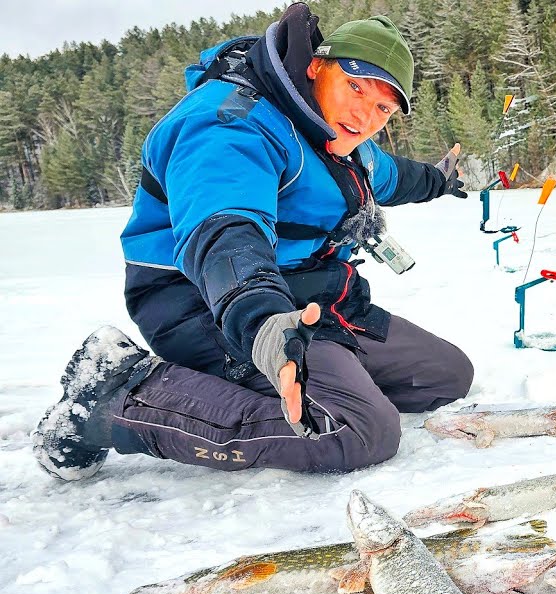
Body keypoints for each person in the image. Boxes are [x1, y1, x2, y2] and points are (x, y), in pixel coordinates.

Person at [32, 2, 474, 480]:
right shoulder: (231, 124)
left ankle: (310, 376)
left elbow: (391, 175)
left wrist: (437, 179)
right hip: (204, 300)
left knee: (443, 377)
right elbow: (225, 234)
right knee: (360, 431)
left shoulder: (340, 139)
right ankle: (116, 395)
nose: (366, 114)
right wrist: (264, 324)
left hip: (311, 297)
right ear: (316, 68)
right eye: (356, 87)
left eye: (384, 107)